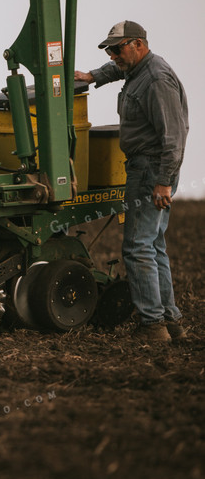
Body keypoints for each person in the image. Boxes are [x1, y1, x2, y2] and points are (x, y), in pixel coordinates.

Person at [75, 20, 189, 342]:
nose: (113, 56)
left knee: (138, 247)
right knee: (153, 245)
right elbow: (118, 71)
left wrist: (163, 182)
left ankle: (152, 327)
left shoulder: (156, 79)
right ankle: (172, 323)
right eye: (109, 50)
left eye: (117, 48)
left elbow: (174, 137)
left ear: (138, 44)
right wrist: (92, 76)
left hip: (152, 169)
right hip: (150, 168)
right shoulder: (138, 69)